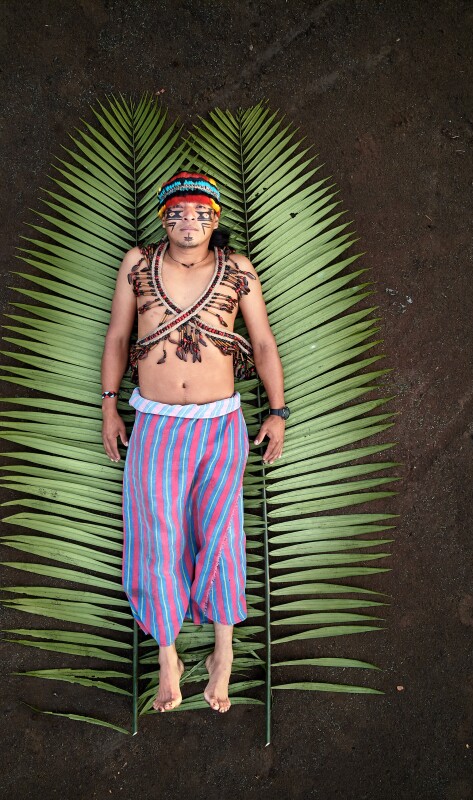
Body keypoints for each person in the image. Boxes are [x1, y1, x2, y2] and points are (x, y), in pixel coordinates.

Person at [100, 171, 290, 713]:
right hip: (154, 424)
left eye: (201, 213)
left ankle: (221, 653)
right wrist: (109, 405)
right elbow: (118, 336)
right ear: (164, 220)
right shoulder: (138, 264)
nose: (190, 222)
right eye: (179, 213)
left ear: (216, 219)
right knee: (154, 536)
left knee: (221, 532)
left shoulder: (238, 269)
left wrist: (278, 412)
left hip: (219, 425)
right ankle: (168, 656)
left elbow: (262, 343)